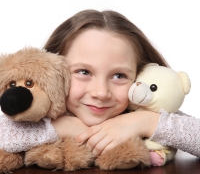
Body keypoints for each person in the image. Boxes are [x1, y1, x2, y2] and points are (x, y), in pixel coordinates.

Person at [1, 9, 200, 163]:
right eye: (84, 72)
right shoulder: (37, 110)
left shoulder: (137, 113)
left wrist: (147, 121)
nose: (101, 93)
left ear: (140, 77)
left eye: (119, 75)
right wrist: (58, 127)